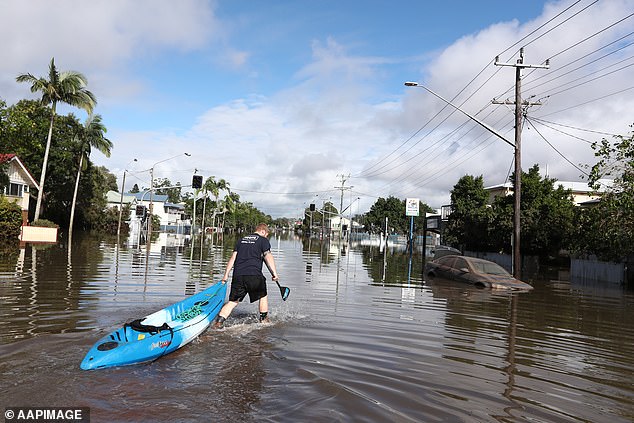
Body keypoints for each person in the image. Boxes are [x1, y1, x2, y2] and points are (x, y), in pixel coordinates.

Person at [213, 223, 279, 328]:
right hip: (254, 275)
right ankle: (263, 320)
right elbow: (268, 256)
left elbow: (232, 258)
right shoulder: (263, 240)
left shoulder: (241, 240)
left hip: (238, 276)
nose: (266, 237)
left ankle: (218, 322)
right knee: (262, 295)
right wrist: (274, 273)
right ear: (263, 231)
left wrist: (225, 276)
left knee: (233, 302)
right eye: (266, 235)